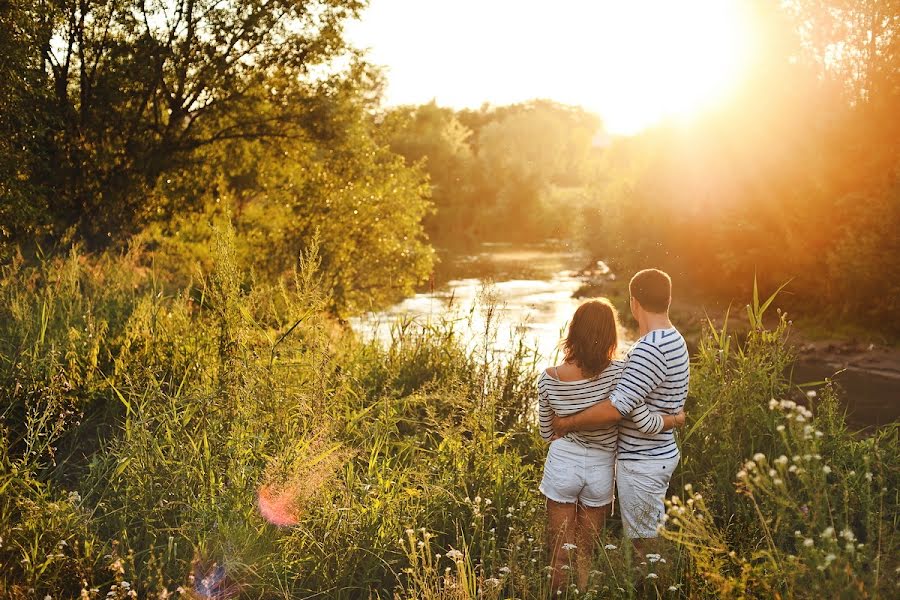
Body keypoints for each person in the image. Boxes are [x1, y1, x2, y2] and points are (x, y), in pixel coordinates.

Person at [538, 298, 684, 590]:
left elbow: (546, 432)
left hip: (563, 463)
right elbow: (637, 416)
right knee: (585, 551)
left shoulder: (549, 378)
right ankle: (582, 594)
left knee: (559, 549)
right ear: (610, 335)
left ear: (573, 331)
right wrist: (674, 419)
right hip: (601, 469)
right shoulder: (620, 375)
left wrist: (567, 424)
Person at [552, 269, 689, 550]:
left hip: (643, 461)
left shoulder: (649, 349)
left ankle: (654, 590)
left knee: (644, 544)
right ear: (669, 299)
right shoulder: (674, 339)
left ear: (634, 302)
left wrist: (568, 423)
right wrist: (673, 419)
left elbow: (617, 408)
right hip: (658, 453)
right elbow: (641, 406)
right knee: (648, 535)